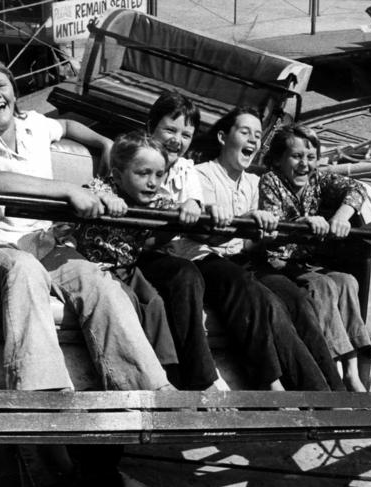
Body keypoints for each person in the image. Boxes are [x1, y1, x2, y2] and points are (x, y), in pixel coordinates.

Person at [0, 54, 174, 394]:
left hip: (45, 242)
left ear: (14, 90)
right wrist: (68, 190)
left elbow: (68, 125)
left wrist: (104, 143)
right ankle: (40, 391)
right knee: (24, 270)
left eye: (1, 85)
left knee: (97, 280)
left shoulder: (34, 124)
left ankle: (147, 389)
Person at [165, 106, 340, 391]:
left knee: (293, 297)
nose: (252, 140)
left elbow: (250, 243)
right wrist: (246, 222)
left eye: (257, 135)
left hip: (242, 260)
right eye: (244, 132)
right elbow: (209, 238)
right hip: (204, 258)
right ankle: (283, 389)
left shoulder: (255, 183)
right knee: (261, 298)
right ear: (223, 137)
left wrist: (281, 230)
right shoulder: (201, 175)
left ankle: (334, 391)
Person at [258, 124, 371, 391]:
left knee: (346, 281)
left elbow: (357, 188)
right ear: (278, 159)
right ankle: (332, 365)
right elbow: (273, 225)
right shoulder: (270, 181)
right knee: (322, 285)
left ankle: (352, 370)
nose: (304, 164)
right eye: (296, 157)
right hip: (277, 262)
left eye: (310, 158)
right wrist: (304, 222)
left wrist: (341, 216)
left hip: (306, 262)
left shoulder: (317, 180)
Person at [131, 91, 227, 391]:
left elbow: (194, 211)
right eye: (170, 130)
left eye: (186, 134)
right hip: (132, 248)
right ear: (151, 127)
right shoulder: (134, 157)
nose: (177, 140)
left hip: (164, 249)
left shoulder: (186, 168)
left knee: (192, 272)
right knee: (183, 274)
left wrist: (204, 212)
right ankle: (201, 380)